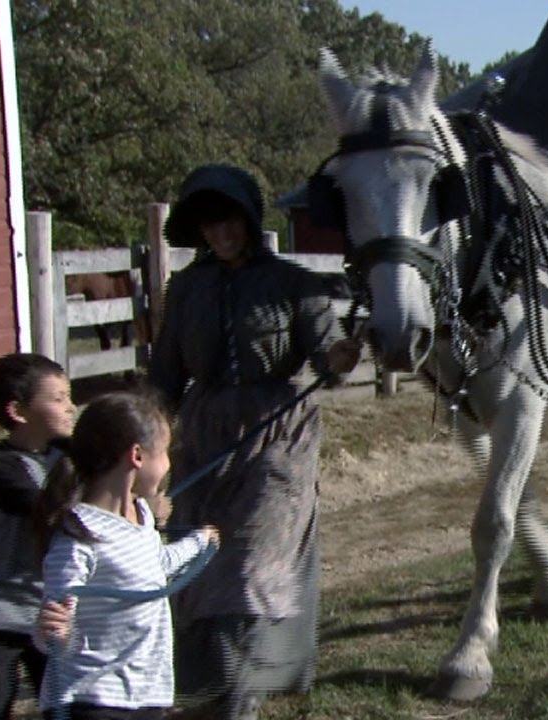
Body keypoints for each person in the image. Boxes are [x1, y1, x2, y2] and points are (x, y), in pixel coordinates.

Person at [149, 164, 360, 719]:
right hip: (202, 437)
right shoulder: (186, 288)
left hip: (277, 439)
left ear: (249, 218)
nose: (221, 235)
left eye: (230, 222)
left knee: (251, 568)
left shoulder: (294, 283)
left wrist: (339, 357)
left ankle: (241, 695)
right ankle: (203, 685)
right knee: (196, 563)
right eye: (209, 226)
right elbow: (165, 376)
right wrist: (145, 440)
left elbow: (327, 355)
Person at [32, 392, 219, 720]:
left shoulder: (142, 515)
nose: (169, 465)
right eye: (164, 453)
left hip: (146, 694)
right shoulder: (79, 535)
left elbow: (156, 566)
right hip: (93, 700)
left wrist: (199, 542)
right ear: (136, 455)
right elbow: (55, 623)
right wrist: (51, 632)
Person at [0, 353, 75, 720]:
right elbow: (46, 513)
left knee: (64, 708)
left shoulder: (68, 454)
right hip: (1, 614)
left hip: (52, 613)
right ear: (18, 412)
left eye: (69, 396)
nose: (71, 408)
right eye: (58, 399)